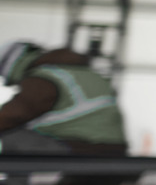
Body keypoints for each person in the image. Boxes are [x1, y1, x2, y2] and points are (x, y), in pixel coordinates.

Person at [0, 37, 128, 154]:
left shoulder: (44, 78)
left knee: (13, 137)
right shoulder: (81, 73)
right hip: (107, 151)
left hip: (80, 150)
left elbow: (13, 115)